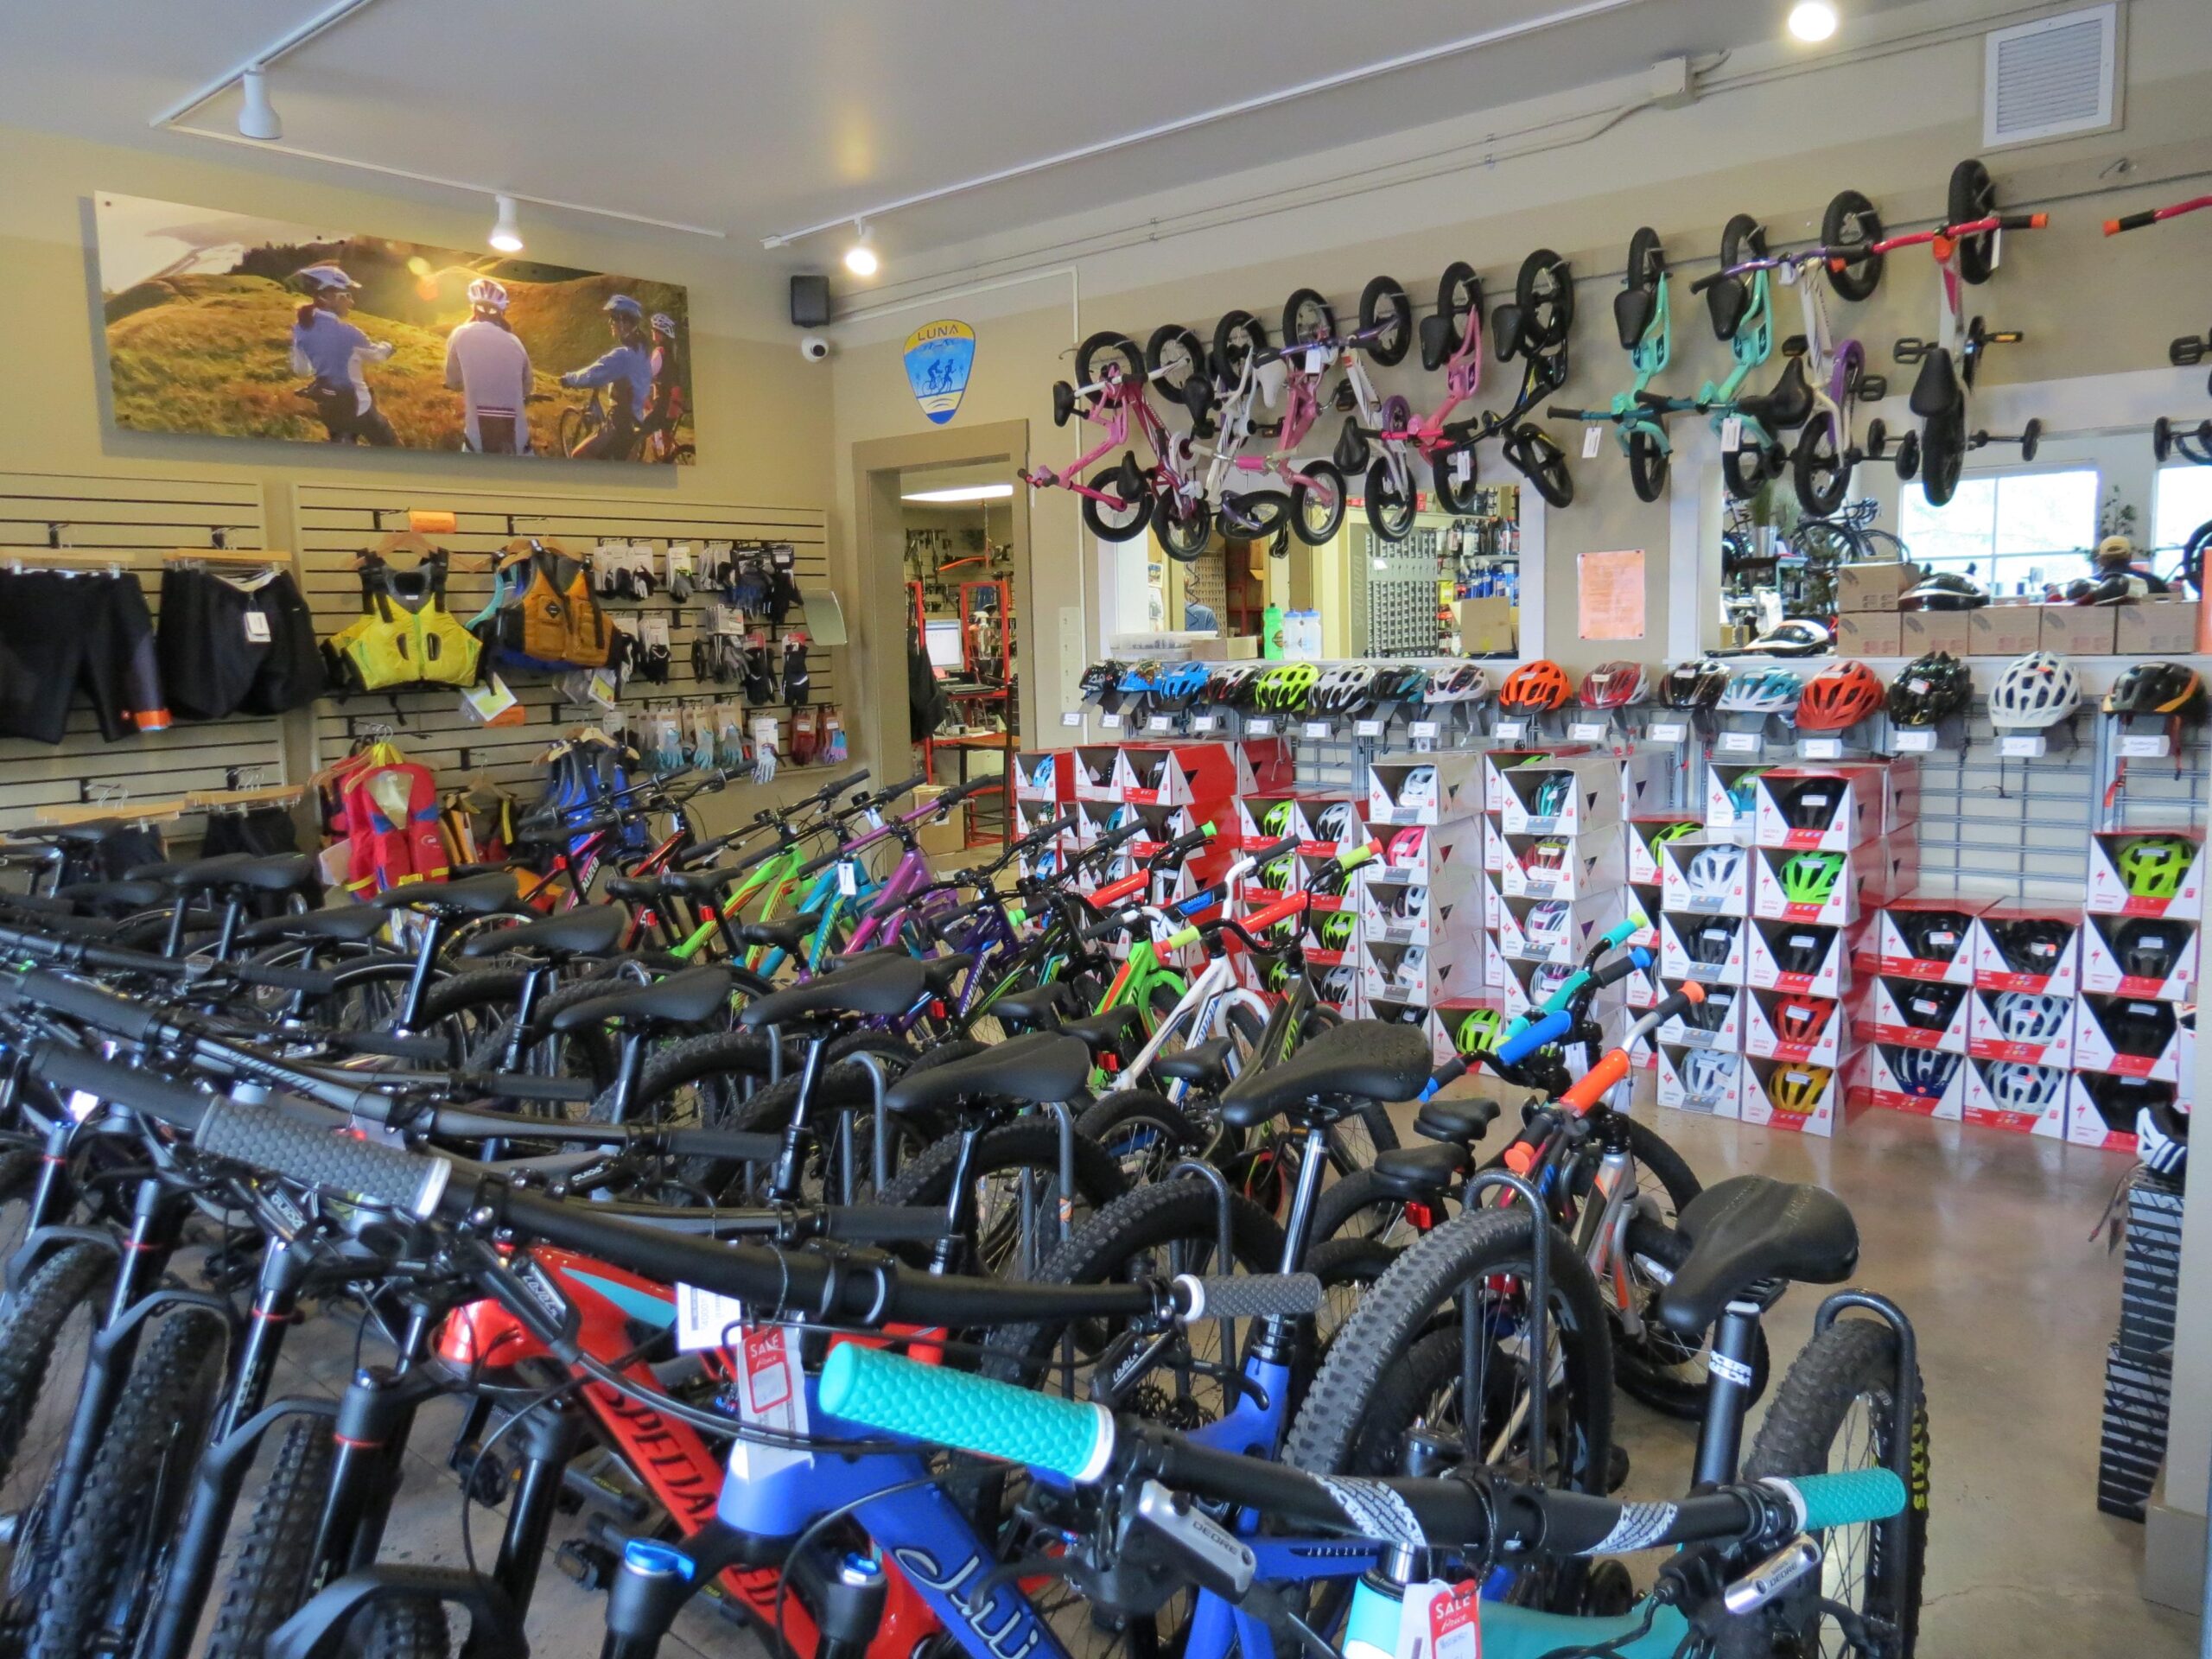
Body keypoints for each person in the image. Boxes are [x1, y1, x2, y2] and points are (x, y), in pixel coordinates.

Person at [289, 264, 397, 445]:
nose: (351, 302)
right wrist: (388, 346)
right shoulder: (349, 333)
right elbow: (377, 357)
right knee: (390, 447)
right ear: (327, 297)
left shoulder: (301, 329)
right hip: (358, 405)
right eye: (347, 295)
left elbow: (301, 371)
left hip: (328, 408)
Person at [442, 276, 534, 454]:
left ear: (474, 309)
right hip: (519, 445)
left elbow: (453, 380)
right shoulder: (515, 342)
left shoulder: (459, 334)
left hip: (477, 443)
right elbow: (527, 386)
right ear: (502, 312)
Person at [559, 294, 652, 459]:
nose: (611, 323)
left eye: (613, 318)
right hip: (635, 421)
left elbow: (593, 374)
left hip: (620, 423)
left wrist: (569, 379)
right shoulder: (643, 350)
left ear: (624, 322)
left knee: (578, 455)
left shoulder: (623, 355)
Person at [641, 311, 688, 461]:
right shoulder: (671, 354)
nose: (652, 332)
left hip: (664, 405)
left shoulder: (659, 352)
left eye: (654, 330)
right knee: (665, 435)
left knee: (637, 433)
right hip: (675, 403)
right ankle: (666, 458)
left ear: (660, 334)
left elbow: (647, 374)